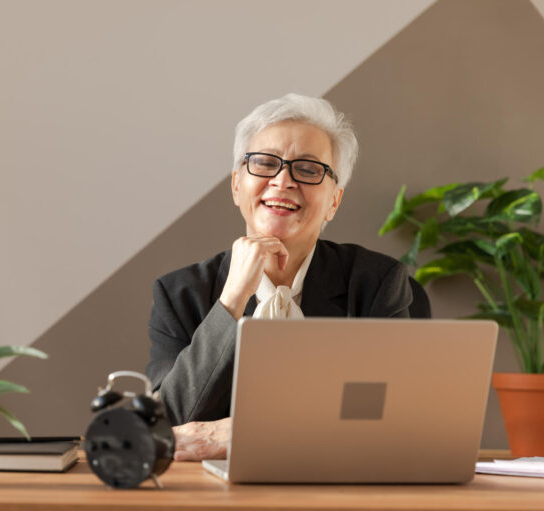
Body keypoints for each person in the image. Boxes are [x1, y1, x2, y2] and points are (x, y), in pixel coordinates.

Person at [146, 93, 421, 462]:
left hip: (334, 486)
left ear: (334, 202)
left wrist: (241, 433)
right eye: (264, 164)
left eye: (307, 169)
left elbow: (393, 420)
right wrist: (232, 301)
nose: (283, 180)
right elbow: (166, 426)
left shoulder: (376, 283)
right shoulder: (178, 294)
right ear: (236, 186)